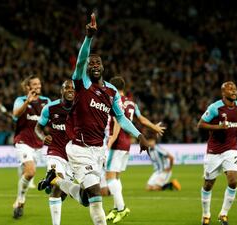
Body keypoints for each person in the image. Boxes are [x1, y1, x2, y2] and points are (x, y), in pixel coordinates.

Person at [38, 13, 151, 225]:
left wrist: (139, 135)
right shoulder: (82, 84)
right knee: (97, 198)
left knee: (85, 199)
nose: (94, 65)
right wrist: (88, 38)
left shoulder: (111, 91)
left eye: (98, 62)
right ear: (87, 69)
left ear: (103, 66)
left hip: (99, 150)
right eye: (91, 64)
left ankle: (56, 180)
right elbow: (81, 60)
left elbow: (121, 118)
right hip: (80, 149)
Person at [104, 76, 166, 223]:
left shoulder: (114, 100)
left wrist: (111, 141)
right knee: (116, 177)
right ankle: (115, 208)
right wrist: (154, 127)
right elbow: (142, 119)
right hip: (127, 143)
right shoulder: (132, 103)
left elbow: (117, 121)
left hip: (117, 142)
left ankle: (121, 208)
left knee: (110, 177)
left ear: (112, 88)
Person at [197, 81, 237, 225]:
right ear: (223, 93)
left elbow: (234, 123)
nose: (234, 91)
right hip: (214, 151)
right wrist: (218, 127)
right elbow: (200, 124)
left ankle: (223, 214)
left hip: (231, 150)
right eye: (230, 89)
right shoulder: (214, 108)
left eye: (235, 88)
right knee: (208, 184)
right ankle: (206, 215)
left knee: (233, 181)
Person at [35, 79, 78, 225]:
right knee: (57, 187)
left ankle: (49, 180)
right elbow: (38, 127)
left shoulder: (81, 108)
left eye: (73, 88)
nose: (70, 90)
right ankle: (51, 179)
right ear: (62, 90)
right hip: (56, 152)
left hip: (74, 156)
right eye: (67, 88)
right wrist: (43, 137)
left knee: (63, 193)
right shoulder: (50, 108)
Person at [12, 75, 51, 219]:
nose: (38, 86)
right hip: (23, 141)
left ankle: (20, 200)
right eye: (34, 84)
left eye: (39, 84)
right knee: (30, 172)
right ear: (28, 87)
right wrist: (27, 101)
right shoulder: (20, 100)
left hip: (39, 144)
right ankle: (21, 199)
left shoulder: (46, 101)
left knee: (30, 174)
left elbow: (54, 117)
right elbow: (15, 115)